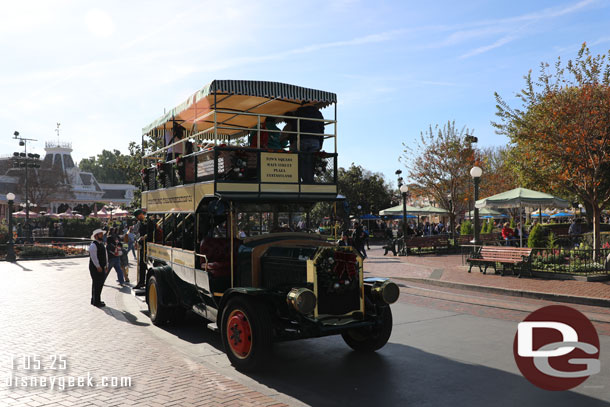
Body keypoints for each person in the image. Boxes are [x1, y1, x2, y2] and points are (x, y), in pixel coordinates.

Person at [89, 229, 108, 307]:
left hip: (101, 266)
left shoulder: (101, 244)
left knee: (99, 284)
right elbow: (94, 257)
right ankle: (96, 301)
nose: (102, 235)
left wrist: (106, 265)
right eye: (100, 234)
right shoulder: (93, 245)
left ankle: (95, 300)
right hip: (96, 267)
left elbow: (105, 255)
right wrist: (98, 266)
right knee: (97, 284)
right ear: (96, 236)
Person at [133, 209, 148, 290]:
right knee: (141, 265)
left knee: (142, 265)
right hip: (143, 246)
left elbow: (152, 231)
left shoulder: (146, 221)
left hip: (146, 246)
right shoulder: (141, 222)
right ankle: (141, 282)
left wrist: (144, 237)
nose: (137, 218)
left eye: (137, 217)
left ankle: (141, 282)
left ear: (139, 215)